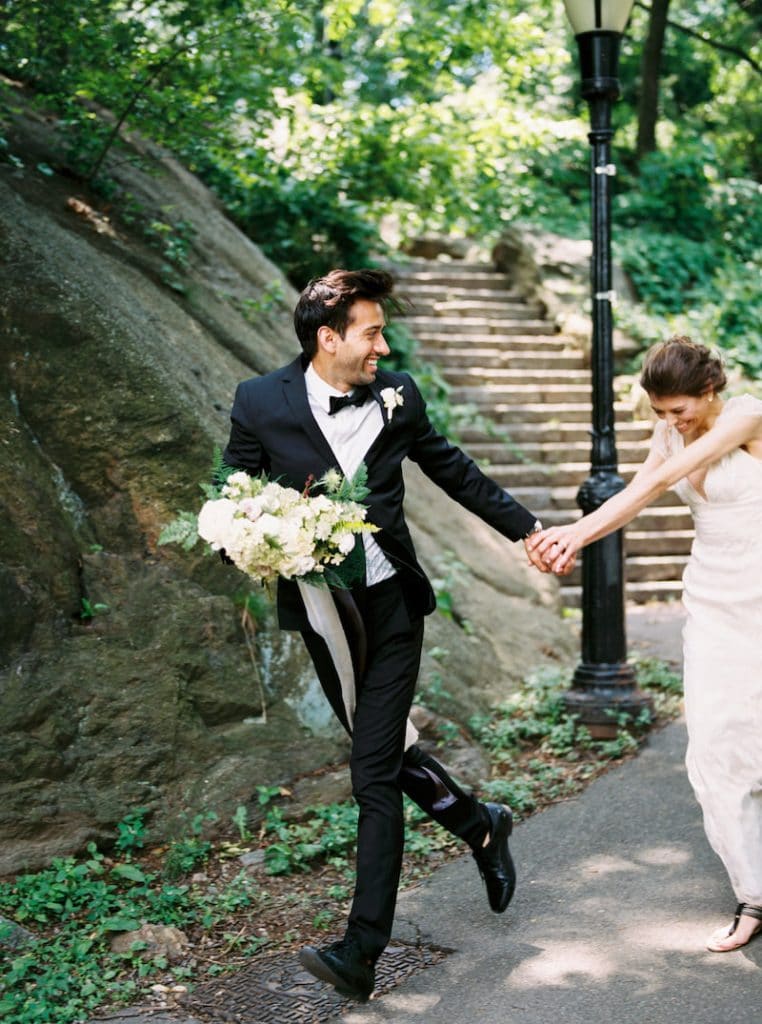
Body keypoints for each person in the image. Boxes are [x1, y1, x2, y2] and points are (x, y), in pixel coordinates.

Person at [220, 269, 565, 1001]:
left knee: (371, 773)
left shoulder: (399, 395)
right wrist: (245, 536)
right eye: (371, 332)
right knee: (387, 749)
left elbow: (453, 471)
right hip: (325, 615)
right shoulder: (260, 401)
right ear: (328, 338)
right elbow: (235, 490)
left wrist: (529, 531)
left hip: (392, 609)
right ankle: (480, 824)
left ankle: (361, 949)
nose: (383, 344)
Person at [527, 335, 762, 954]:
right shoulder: (669, 433)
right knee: (713, 746)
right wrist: (576, 536)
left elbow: (673, 472)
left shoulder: (747, 414)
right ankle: (754, 894)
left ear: (709, 391)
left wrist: (581, 525)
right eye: (660, 412)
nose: (671, 422)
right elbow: (640, 492)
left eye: (679, 410)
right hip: (712, 600)